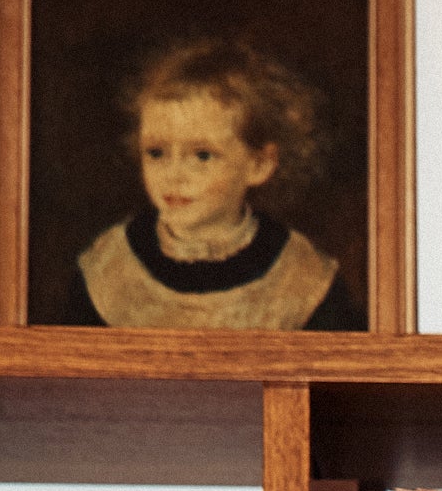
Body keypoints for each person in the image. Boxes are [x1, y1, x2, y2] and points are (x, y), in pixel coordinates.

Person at [53, 34, 360, 330]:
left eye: (202, 156)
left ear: (259, 164)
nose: (174, 175)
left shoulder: (303, 276)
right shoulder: (109, 266)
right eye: (156, 153)